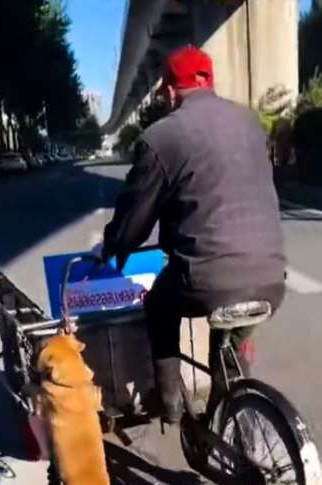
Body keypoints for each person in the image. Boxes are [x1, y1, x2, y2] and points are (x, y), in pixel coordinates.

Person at [98, 45, 286, 423]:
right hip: (272, 277)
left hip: (205, 282)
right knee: (230, 334)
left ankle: (167, 401)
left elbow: (135, 217)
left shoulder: (162, 137)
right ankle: (228, 409)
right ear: (210, 81)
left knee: (158, 302)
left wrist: (114, 249)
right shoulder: (250, 123)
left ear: (169, 90)